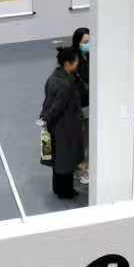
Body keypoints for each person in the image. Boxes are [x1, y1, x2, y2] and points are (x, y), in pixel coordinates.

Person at [41, 46, 87, 201]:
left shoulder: (53, 78)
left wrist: (45, 121)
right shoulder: (66, 85)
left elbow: (49, 102)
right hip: (65, 127)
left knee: (57, 159)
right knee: (66, 161)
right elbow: (57, 108)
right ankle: (66, 191)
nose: (77, 64)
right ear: (68, 63)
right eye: (76, 62)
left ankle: (58, 188)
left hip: (55, 126)